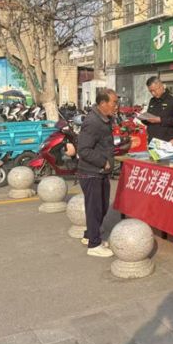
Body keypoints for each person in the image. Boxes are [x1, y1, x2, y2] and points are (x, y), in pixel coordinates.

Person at [77, 88, 119, 258]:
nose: (116, 106)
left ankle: (90, 236)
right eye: (114, 103)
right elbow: (83, 149)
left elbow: (102, 144)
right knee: (95, 209)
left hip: (101, 172)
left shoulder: (105, 119)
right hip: (91, 172)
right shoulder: (93, 122)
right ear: (103, 103)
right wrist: (103, 162)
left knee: (101, 206)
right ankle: (94, 245)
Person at [142, 76, 173, 142]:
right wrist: (144, 119)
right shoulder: (152, 100)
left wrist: (161, 120)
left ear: (161, 86)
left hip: (165, 141)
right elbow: (150, 120)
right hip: (152, 140)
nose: (153, 93)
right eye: (150, 91)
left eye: (154, 90)